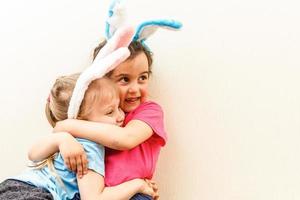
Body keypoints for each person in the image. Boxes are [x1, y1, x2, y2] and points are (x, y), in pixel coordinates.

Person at [28, 38, 167, 200]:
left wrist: (67, 126)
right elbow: (34, 154)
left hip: (131, 193)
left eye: (142, 78)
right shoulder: (94, 117)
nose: (135, 89)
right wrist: (63, 137)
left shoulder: (149, 111)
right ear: (102, 79)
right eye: (124, 79)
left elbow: (125, 139)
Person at [0, 74, 157, 200]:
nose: (120, 116)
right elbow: (93, 198)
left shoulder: (70, 137)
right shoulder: (90, 146)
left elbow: (32, 154)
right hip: (35, 193)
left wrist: (62, 138)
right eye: (110, 112)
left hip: (12, 186)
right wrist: (138, 184)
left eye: (118, 108)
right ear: (81, 120)